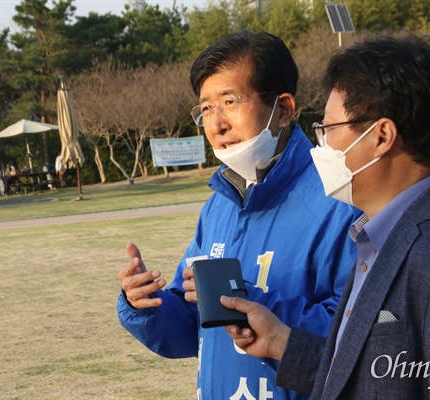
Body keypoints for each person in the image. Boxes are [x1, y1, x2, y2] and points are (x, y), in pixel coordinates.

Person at [221, 35, 430, 399]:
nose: (320, 146)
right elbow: (379, 376)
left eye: (328, 130)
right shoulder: (376, 234)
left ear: (382, 135)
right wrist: (282, 342)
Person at [117, 31, 359, 400]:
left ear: (283, 109)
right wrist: (146, 305)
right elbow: (193, 327)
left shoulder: (339, 199)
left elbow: (360, 335)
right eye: (207, 109)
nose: (217, 124)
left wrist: (250, 303)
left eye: (230, 101)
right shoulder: (219, 204)